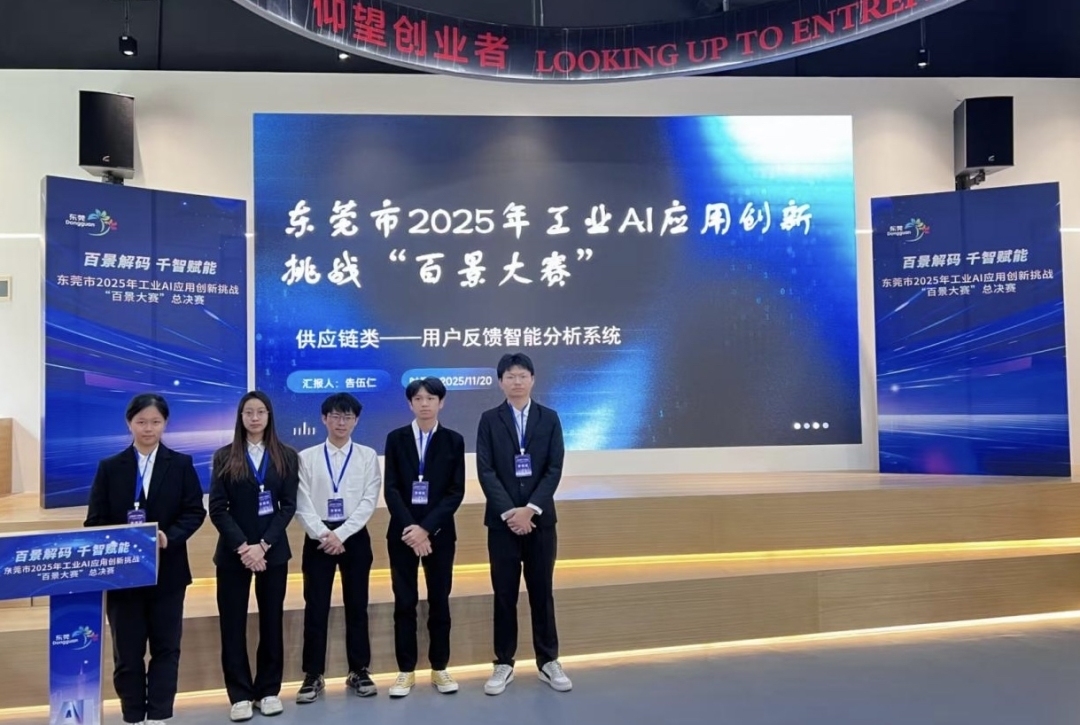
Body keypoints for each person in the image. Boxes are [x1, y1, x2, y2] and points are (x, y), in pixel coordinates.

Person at [84, 393, 207, 725]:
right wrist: (121, 543)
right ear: (129, 423)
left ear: (165, 424)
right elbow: (94, 521)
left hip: (168, 573)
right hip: (122, 576)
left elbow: (194, 512)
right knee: (127, 651)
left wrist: (169, 536)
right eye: (141, 422)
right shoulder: (110, 468)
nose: (148, 428)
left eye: (155, 422)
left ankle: (159, 715)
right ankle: (133, 715)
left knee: (166, 647)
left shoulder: (180, 464)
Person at [476, 353, 572, 695]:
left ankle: (548, 661)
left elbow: (554, 468)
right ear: (500, 382)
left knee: (542, 592)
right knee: (504, 594)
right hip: (502, 524)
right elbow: (486, 470)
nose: (516, 382)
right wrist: (510, 512)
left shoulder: (550, 418)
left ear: (532, 379)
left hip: (540, 522)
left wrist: (530, 510)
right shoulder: (490, 420)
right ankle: (503, 662)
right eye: (510, 376)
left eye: (522, 376)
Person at [208, 391, 299, 722]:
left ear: (269, 415)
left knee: (271, 621)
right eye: (249, 412)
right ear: (241, 417)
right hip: (234, 554)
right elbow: (217, 508)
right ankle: (240, 695)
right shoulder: (224, 456)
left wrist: (263, 545)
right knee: (232, 625)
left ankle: (268, 690)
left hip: (272, 553)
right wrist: (244, 547)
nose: (255, 418)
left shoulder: (286, 456)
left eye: (261, 412)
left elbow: (288, 506)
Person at [294, 392, 382, 703]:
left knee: (357, 605)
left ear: (356, 421)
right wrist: (323, 534)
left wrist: (341, 534)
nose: (341, 422)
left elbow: (369, 500)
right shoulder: (306, 457)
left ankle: (359, 669)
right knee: (315, 606)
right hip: (318, 538)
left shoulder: (367, 456)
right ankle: (313, 674)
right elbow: (301, 501)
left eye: (347, 417)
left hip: (353, 536)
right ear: (324, 418)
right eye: (335, 416)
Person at [383, 377, 466, 698]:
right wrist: (412, 529)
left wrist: (426, 529)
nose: (425, 404)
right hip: (403, 535)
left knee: (439, 601)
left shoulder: (454, 440)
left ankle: (439, 667)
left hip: (439, 535)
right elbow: (391, 489)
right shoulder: (396, 438)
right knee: (404, 602)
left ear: (441, 402)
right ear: (410, 404)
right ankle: (405, 671)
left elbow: (455, 491)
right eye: (418, 399)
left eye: (431, 398)